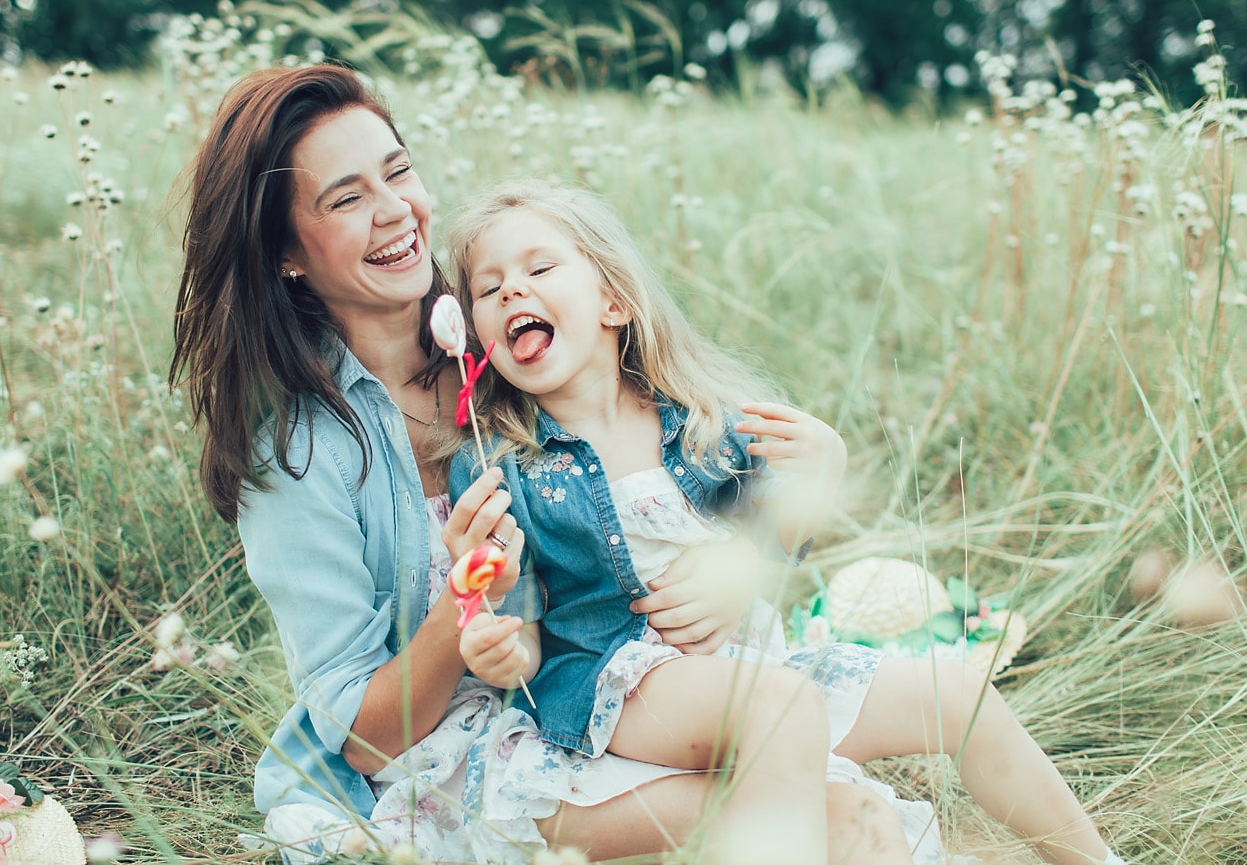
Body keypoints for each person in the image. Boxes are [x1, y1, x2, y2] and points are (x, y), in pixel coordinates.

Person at [170, 63, 924, 865]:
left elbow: (660, 496)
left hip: (604, 695)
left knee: (844, 773)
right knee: (827, 813)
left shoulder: (507, 341)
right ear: (286, 253)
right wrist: (465, 608)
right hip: (450, 763)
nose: (396, 211)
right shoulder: (298, 454)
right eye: (347, 198)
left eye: (398, 172)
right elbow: (363, 739)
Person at [442, 179, 1131, 865]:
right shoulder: (502, 464)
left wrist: (821, 471)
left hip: (754, 662)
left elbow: (778, 533)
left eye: (538, 268)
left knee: (955, 693)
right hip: (618, 687)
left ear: (614, 300)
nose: (510, 292)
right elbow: (520, 633)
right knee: (780, 705)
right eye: (487, 287)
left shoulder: (705, 420)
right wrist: (504, 651)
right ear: (480, 336)